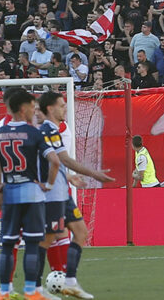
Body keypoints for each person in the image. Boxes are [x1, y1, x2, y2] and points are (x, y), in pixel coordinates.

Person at [0, 87, 55, 300]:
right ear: (22, 107)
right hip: (31, 192)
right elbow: (54, 160)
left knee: (8, 244)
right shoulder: (33, 132)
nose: (34, 110)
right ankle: (31, 291)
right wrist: (48, 184)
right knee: (31, 244)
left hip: (10, 192)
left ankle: (4, 292)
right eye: (31, 106)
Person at [37, 90, 112, 300]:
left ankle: (70, 282)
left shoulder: (54, 131)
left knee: (80, 232)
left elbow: (61, 162)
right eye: (61, 106)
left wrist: (69, 178)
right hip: (51, 195)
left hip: (63, 192)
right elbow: (63, 160)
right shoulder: (45, 131)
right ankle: (34, 288)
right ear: (51, 109)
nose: (65, 109)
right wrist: (93, 172)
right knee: (46, 240)